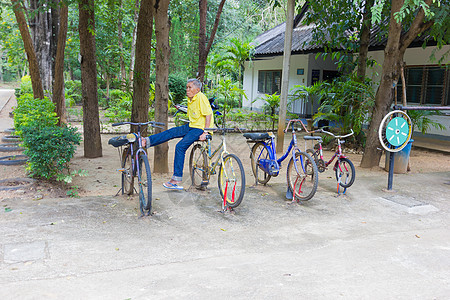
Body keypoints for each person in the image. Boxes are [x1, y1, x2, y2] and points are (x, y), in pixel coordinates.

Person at [143, 78, 213, 190]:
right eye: (187, 87)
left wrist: (206, 132)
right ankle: (147, 141)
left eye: (190, 87)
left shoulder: (201, 97)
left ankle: (176, 180)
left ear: (197, 89)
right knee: (171, 132)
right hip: (192, 126)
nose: (187, 89)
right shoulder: (191, 99)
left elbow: (208, 114)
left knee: (180, 147)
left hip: (199, 129)